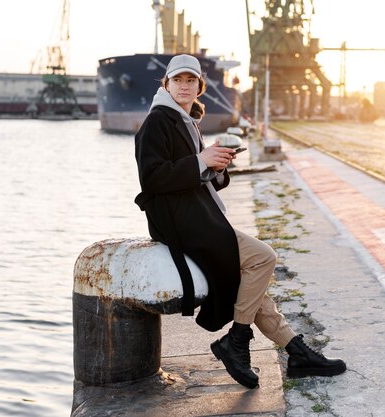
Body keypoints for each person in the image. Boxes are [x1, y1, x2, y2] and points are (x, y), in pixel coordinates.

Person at [134, 54, 346, 389]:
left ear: (200, 86)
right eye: (178, 80)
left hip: (196, 216)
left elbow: (197, 177)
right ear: (166, 84)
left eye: (191, 81)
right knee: (263, 258)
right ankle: (237, 340)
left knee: (253, 286)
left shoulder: (185, 120)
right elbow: (152, 179)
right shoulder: (158, 120)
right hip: (180, 222)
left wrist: (215, 168)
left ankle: (296, 351)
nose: (185, 86)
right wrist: (201, 159)